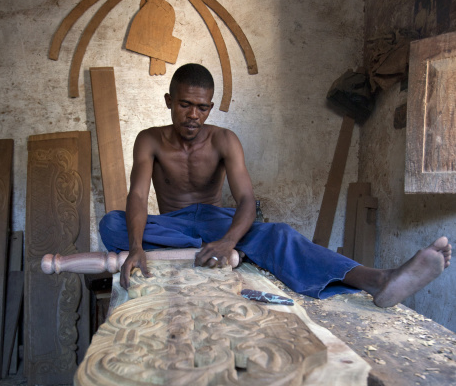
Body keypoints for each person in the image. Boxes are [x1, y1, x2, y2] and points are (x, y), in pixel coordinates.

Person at [99, 63, 451, 306]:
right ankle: (228, 246)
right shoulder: (149, 139)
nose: (194, 115)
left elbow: (247, 200)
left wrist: (227, 241)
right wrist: (135, 245)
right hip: (171, 225)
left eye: (203, 108)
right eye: (185, 105)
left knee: (278, 233)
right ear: (169, 102)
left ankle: (379, 279)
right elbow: (138, 195)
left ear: (211, 107)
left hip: (213, 219)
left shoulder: (225, 140)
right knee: (111, 224)